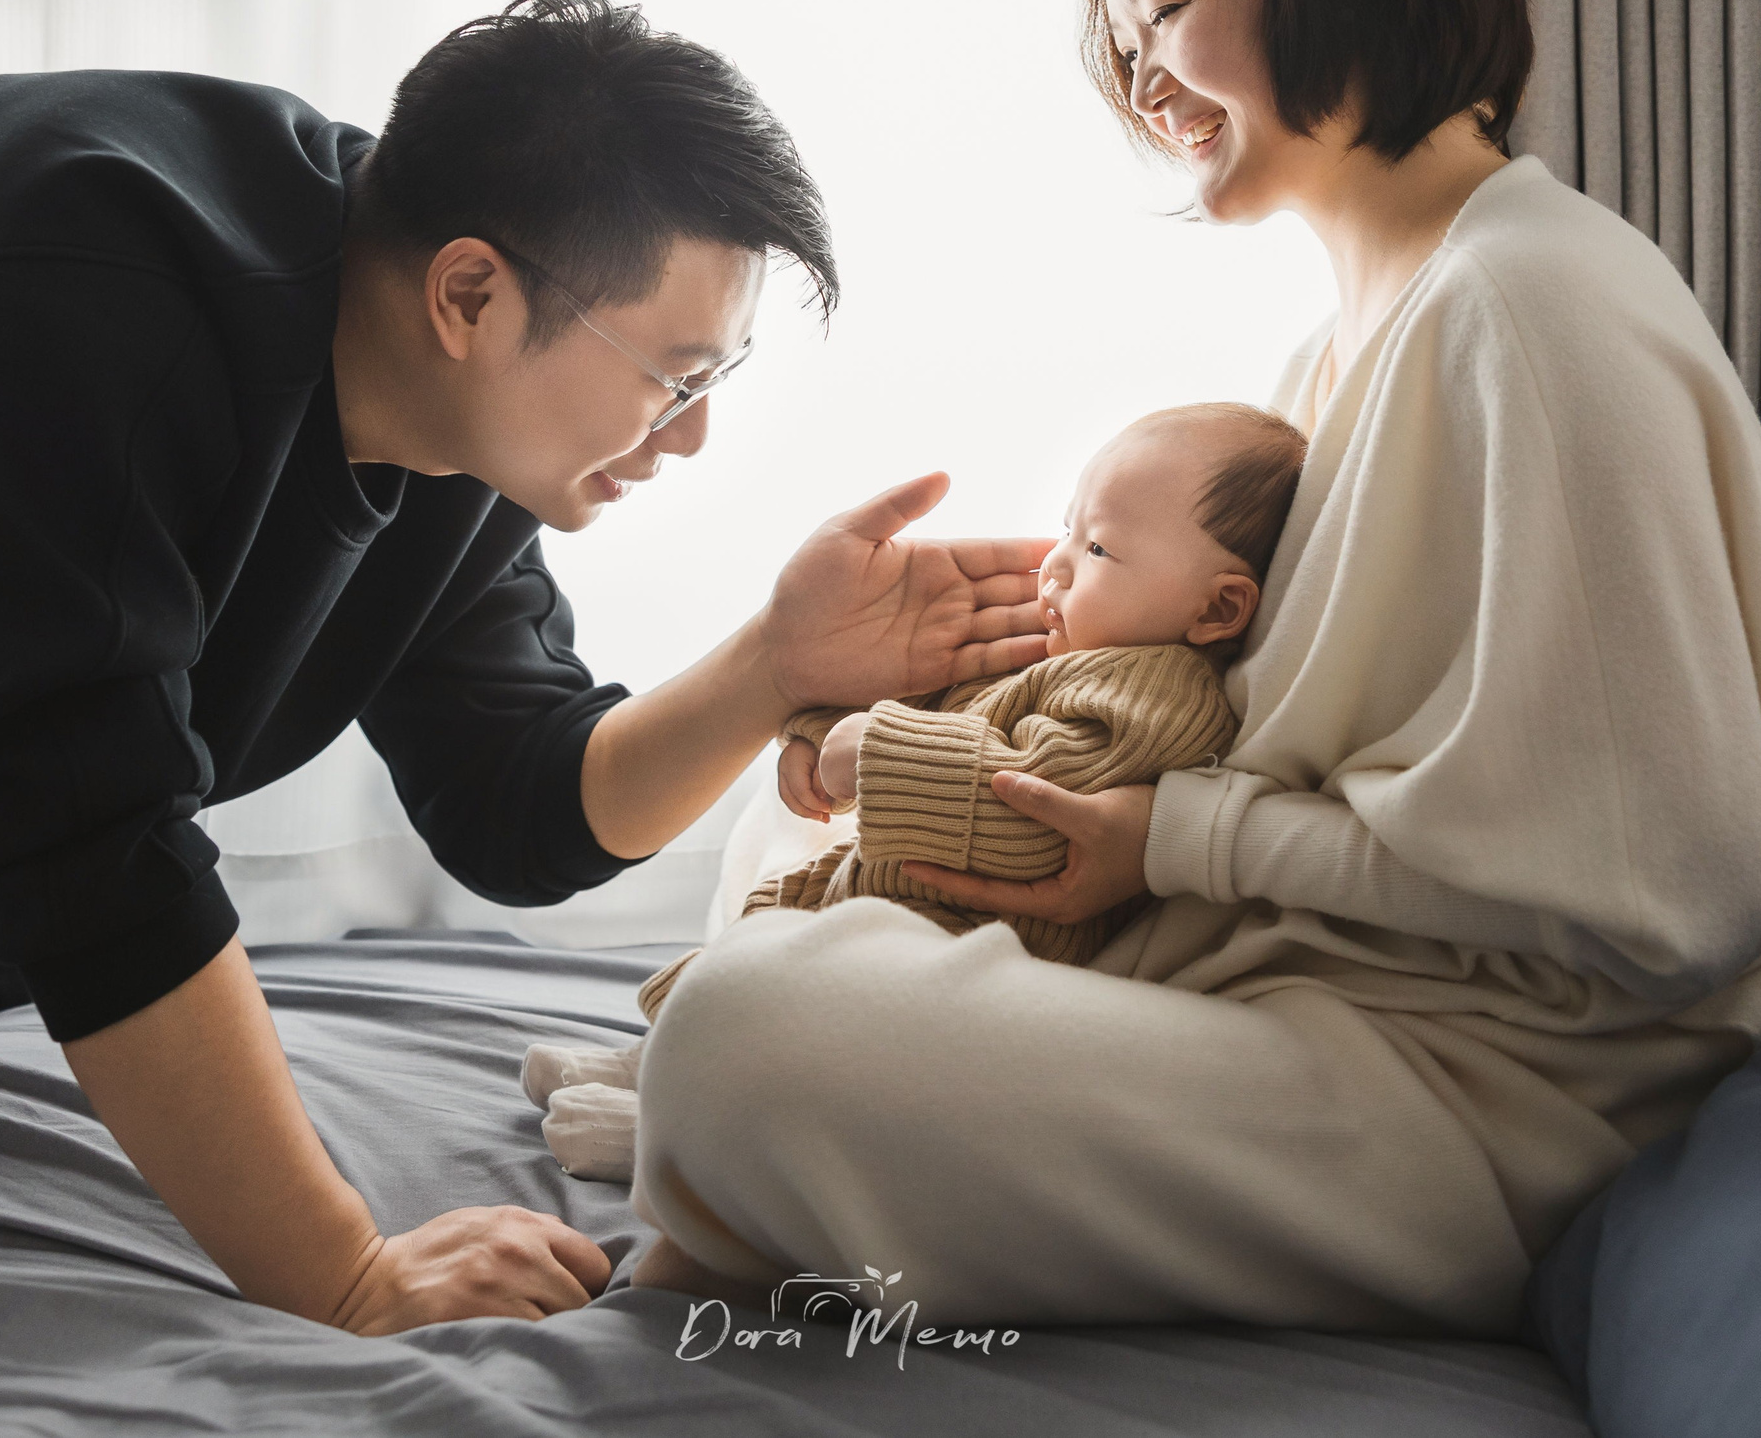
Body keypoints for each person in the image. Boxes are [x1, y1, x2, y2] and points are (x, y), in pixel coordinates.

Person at [0, 0, 1055, 1333]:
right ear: (470, 294)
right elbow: (96, 849)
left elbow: (516, 807)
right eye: (675, 374)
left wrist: (767, 668)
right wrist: (345, 1271)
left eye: (717, 379)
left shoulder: (452, 429)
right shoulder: (92, 294)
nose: (693, 432)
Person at [626, 0, 1761, 1334]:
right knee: (800, 826)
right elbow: (1254, 724)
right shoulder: (1353, 337)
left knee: (756, 1033)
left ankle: (723, 1125)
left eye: (1168, 4)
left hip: (1504, 1093)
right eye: (1123, 39)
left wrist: (1173, 839)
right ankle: (735, 1124)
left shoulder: (1530, 311)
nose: (1142, 82)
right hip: (1323, 986)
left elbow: (1685, 888)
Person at [522, 402, 1307, 1183]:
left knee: (815, 1017)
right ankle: (657, 1064)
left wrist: (874, 754)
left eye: (1098, 546)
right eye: (1066, 527)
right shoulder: (1048, 655)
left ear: (1218, 608)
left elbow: (1041, 812)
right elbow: (920, 707)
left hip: (969, 949)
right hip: (881, 902)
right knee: (758, 949)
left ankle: (678, 1132)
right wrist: (818, 731)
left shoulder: (1163, 693)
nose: (1055, 565)